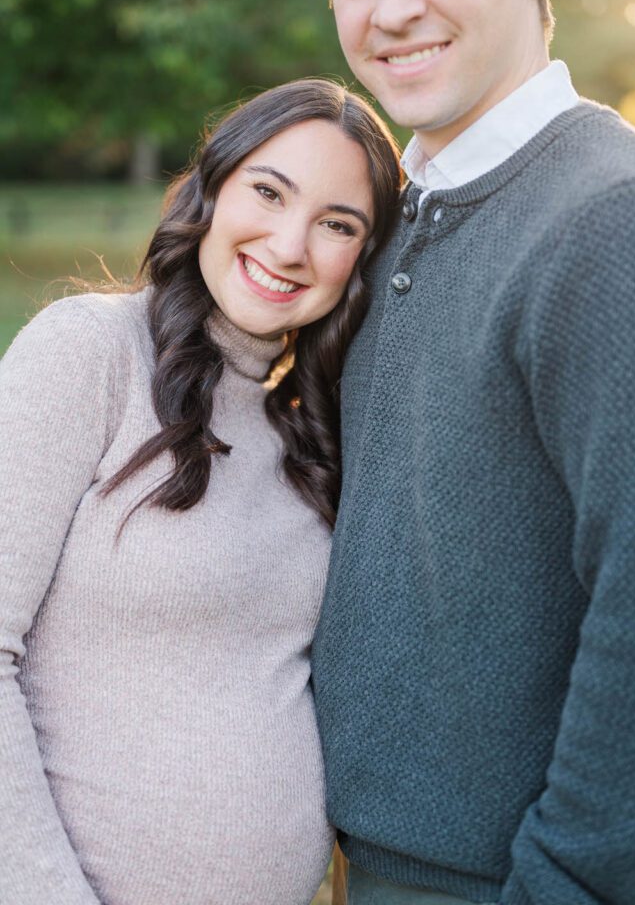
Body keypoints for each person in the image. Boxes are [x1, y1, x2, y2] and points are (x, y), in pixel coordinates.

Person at [300, 0, 635, 903]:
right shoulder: (391, 215)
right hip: (365, 859)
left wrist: (569, 882)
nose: (388, 10)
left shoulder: (623, 221)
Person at [0, 78, 401, 905]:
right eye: (267, 191)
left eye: (337, 224)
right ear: (211, 190)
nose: (291, 245)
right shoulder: (92, 354)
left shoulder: (305, 425)